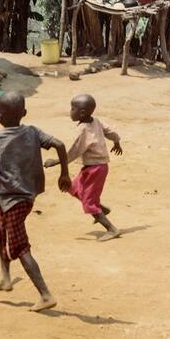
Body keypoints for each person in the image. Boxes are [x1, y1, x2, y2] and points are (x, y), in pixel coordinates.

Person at [0, 91, 71, 312]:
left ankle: (45, 294)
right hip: (24, 197)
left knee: (21, 247)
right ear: (24, 113)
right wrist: (64, 173)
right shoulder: (33, 132)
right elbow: (60, 144)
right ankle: (5, 277)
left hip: (12, 199)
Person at [46, 94, 122, 241]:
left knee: (88, 202)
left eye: (72, 108)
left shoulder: (83, 129)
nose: (70, 111)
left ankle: (111, 229)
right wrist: (117, 141)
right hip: (95, 168)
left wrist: (57, 161)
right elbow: (110, 131)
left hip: (95, 169)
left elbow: (74, 151)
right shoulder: (96, 121)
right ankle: (102, 209)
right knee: (73, 188)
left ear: (82, 113)